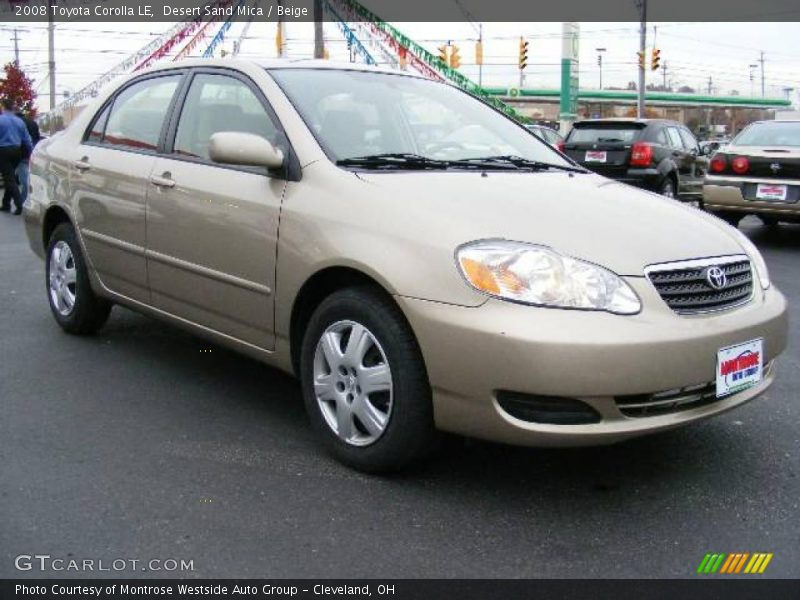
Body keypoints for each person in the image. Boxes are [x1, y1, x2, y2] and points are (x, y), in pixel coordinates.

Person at [0, 99, 33, 215]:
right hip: (17, 151)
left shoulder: (1, 120)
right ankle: (6, 204)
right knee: (11, 177)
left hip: (3, 151)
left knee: (9, 179)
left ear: (3, 107)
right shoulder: (20, 122)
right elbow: (27, 140)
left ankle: (19, 204)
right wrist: (31, 153)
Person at [14, 108, 41, 209]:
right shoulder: (33, 122)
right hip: (31, 153)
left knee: (23, 180)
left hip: (20, 154)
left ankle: (23, 201)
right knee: (27, 176)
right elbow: (37, 138)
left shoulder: (17, 124)